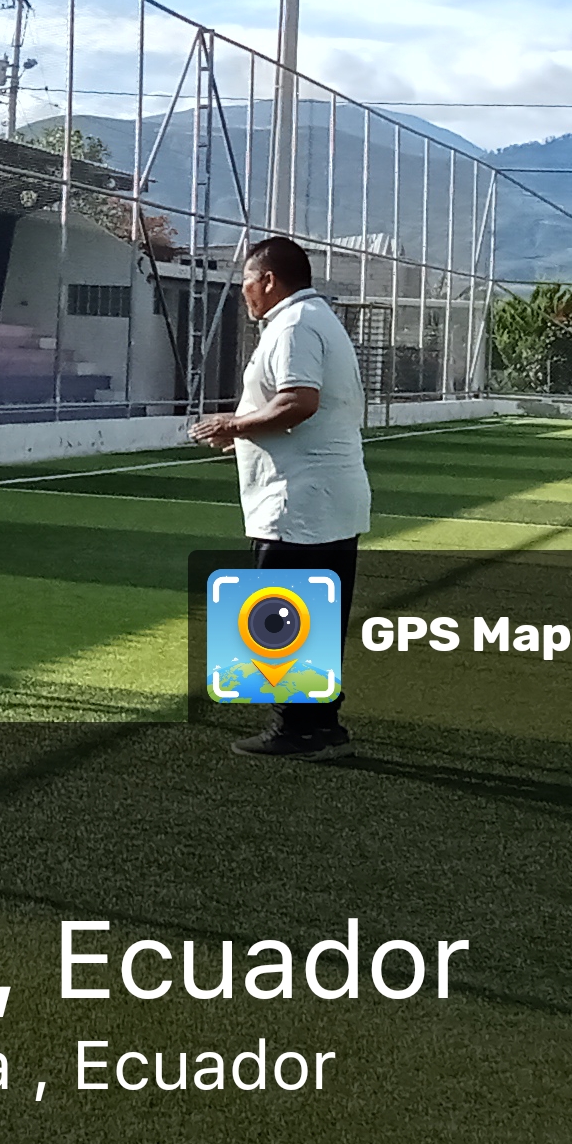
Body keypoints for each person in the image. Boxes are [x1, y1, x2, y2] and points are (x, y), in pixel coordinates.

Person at [189, 234, 370, 759]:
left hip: (298, 499)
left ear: (268, 280)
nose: (244, 291)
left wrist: (234, 424)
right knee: (316, 615)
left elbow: (298, 401)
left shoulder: (293, 325)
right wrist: (245, 431)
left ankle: (295, 728)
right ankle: (321, 724)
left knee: (281, 613)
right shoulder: (315, 318)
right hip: (325, 497)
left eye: (247, 280)